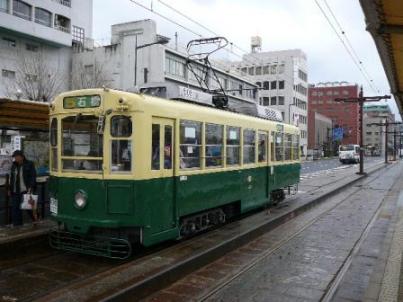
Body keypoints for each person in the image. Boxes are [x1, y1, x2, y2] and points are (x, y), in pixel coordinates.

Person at [8, 150, 37, 227]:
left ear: (21, 156)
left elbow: (33, 176)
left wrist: (31, 186)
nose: (15, 159)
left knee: (28, 207)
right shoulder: (14, 166)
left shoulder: (29, 164)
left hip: (25, 190)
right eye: (14, 157)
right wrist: (9, 189)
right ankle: (17, 225)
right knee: (15, 208)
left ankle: (35, 219)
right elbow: (11, 178)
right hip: (15, 190)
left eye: (16, 157)